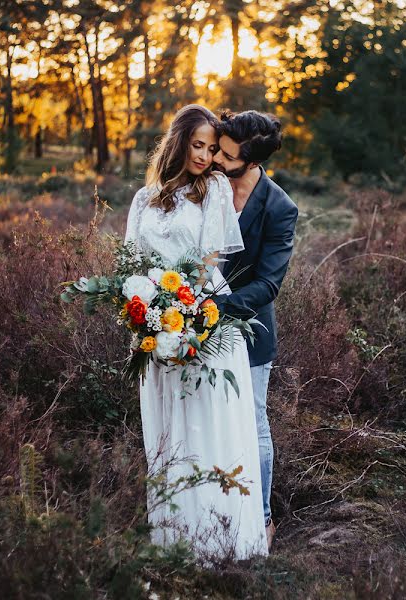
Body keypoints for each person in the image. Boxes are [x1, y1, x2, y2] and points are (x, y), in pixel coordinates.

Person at [124, 104, 268, 560]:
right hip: (154, 322)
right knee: (170, 424)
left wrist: (184, 313)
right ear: (179, 141)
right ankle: (173, 534)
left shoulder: (215, 191)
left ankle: (220, 537)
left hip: (202, 318)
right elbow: (132, 262)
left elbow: (209, 266)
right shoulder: (144, 199)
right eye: (198, 145)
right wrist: (145, 309)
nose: (205, 156)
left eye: (211, 148)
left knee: (207, 423)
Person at [212, 109, 298, 550]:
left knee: (254, 423)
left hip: (249, 331)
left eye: (227, 156)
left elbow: (269, 283)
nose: (216, 159)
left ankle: (262, 517)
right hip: (190, 323)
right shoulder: (206, 184)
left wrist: (214, 306)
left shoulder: (280, 208)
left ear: (250, 161)